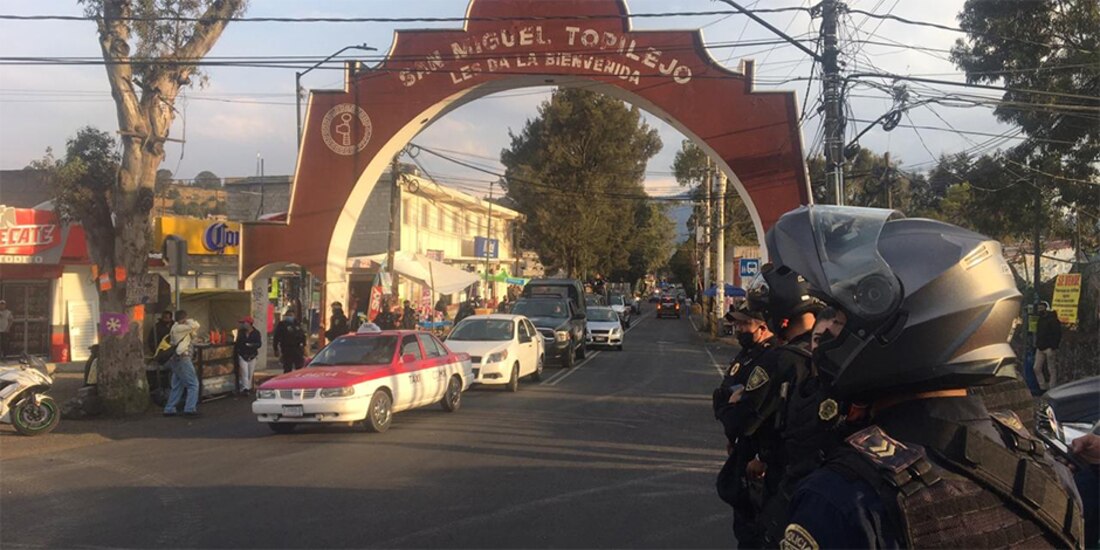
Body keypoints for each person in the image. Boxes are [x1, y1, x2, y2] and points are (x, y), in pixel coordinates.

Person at [763, 205, 1083, 549]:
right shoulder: (1048, 472)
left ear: (899, 327)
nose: (828, 339)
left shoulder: (844, 499)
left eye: (840, 320)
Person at [719, 266, 823, 548]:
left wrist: (731, 404)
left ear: (781, 317)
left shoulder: (779, 361)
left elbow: (742, 420)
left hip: (779, 478)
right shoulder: (833, 354)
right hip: (825, 480)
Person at [712, 300, 778, 547]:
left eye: (745, 323)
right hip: (742, 448)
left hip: (757, 458)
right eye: (737, 323)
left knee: (756, 531)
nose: (739, 329)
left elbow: (755, 414)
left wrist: (761, 455)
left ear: (763, 327)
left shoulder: (771, 358)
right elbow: (722, 395)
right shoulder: (747, 354)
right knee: (743, 523)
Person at [163, 310, 201, 417]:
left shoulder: (174, 328)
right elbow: (196, 325)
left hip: (175, 359)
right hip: (183, 358)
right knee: (193, 384)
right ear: (184, 318)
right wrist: (188, 320)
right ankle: (190, 408)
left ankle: (169, 408)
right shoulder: (180, 328)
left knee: (177, 384)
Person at [1034, 300, 1063, 390]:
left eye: (1041, 307)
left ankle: (1052, 387)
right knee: (1036, 368)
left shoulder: (1053, 320)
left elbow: (1057, 333)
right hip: (1040, 347)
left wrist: (1053, 346)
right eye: (1039, 308)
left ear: (1046, 308)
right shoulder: (1040, 319)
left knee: (1051, 369)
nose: (1039, 310)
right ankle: (1042, 387)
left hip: (1049, 348)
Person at [234, 316, 262, 395]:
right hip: (243, 354)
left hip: (252, 355)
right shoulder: (241, 332)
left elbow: (259, 344)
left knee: (250, 372)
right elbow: (238, 343)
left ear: (249, 324)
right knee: (244, 372)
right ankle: (245, 388)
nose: (243, 324)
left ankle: (248, 387)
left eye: (244, 323)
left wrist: (252, 345)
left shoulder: (256, 333)